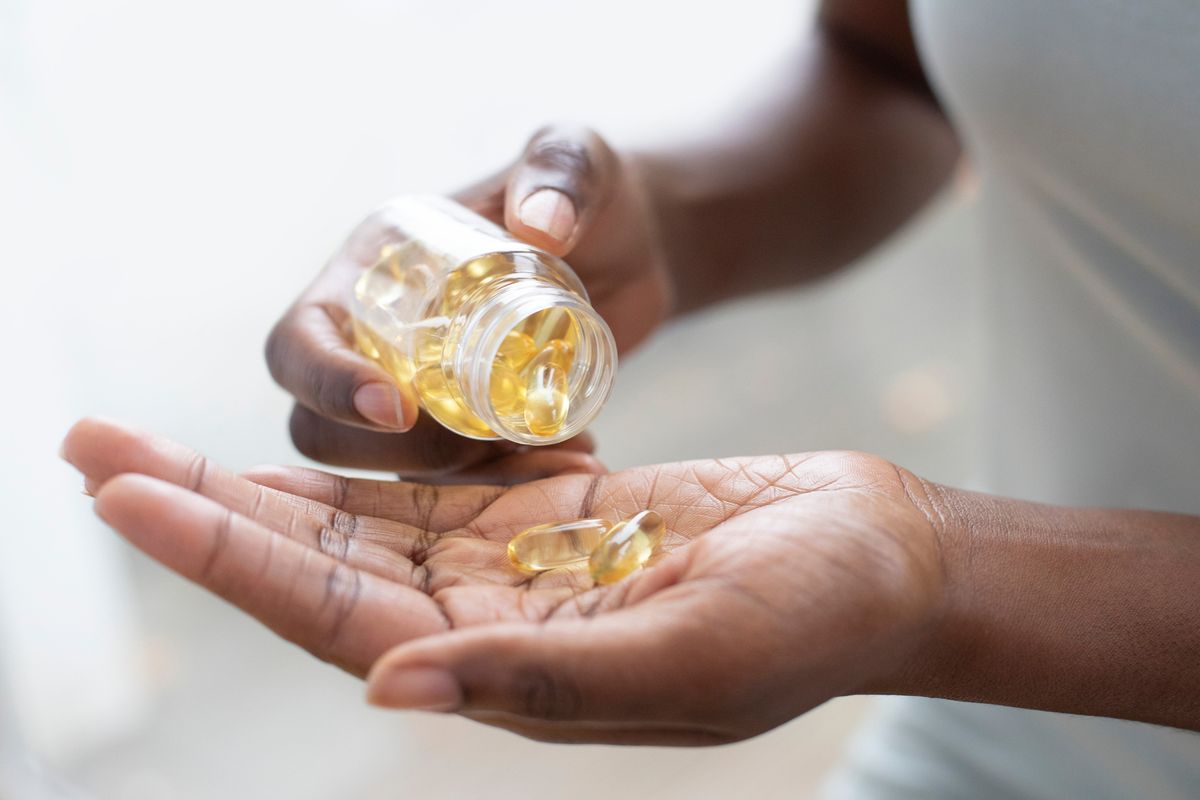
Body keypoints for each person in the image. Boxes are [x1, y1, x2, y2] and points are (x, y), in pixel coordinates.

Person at [61, 0, 1199, 796]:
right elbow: (896, 68)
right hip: (1007, 736)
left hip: (1046, 658)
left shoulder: (959, 592)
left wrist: (963, 580)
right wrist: (672, 213)